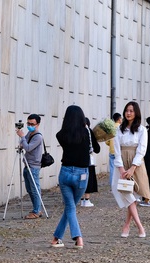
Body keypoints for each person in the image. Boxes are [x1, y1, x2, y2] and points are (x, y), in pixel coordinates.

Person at [51, 105, 99, 249]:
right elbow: (96, 149)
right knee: (71, 207)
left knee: (69, 207)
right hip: (82, 174)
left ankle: (56, 238)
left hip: (65, 172)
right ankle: (78, 238)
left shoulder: (61, 135)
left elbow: (67, 140)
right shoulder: (87, 132)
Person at [111, 101, 150, 238]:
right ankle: (139, 226)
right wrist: (121, 169)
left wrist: (133, 167)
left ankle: (128, 226)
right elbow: (116, 150)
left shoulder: (142, 130)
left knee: (131, 194)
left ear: (136, 112)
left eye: (131, 111)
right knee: (125, 193)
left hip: (136, 163)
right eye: (127, 110)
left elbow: (142, 149)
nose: (128, 113)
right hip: (122, 162)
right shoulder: (118, 129)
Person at [16, 114, 44, 219]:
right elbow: (23, 144)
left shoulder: (38, 137)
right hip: (27, 165)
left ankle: (36, 211)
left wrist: (22, 137)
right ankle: (36, 209)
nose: (29, 125)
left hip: (34, 166)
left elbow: (28, 148)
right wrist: (22, 140)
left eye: (32, 124)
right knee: (29, 189)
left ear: (37, 124)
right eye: (28, 123)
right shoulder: (30, 133)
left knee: (35, 189)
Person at [80, 117, 100, 207]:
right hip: (88, 160)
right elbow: (97, 149)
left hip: (77, 161)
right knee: (88, 178)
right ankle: (86, 199)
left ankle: (80, 199)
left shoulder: (75, 131)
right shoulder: (89, 132)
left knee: (80, 179)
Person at [105, 113, 123, 186]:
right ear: (119, 119)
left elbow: (107, 141)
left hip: (112, 151)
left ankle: (112, 185)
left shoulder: (111, 128)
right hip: (120, 151)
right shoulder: (122, 128)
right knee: (121, 168)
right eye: (121, 118)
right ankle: (120, 183)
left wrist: (111, 144)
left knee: (112, 168)